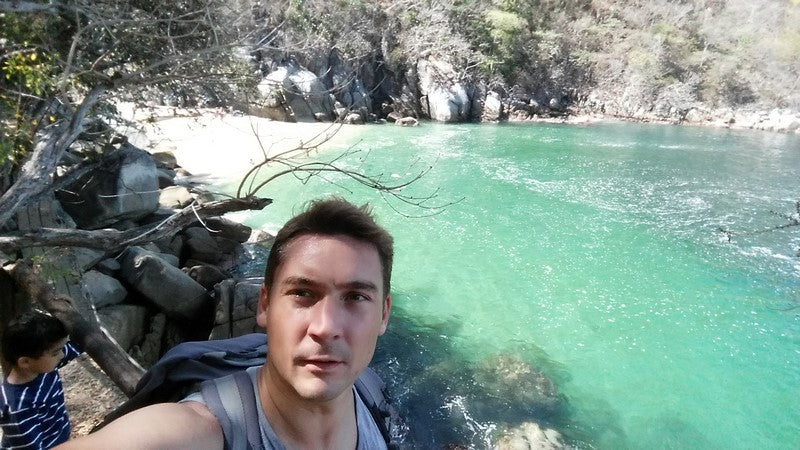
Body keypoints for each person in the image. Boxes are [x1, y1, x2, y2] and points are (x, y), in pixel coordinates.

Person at [57, 197, 393, 449]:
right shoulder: (203, 430)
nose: (325, 327)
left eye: (356, 297)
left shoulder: (369, 392)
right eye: (303, 293)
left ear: (383, 314)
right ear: (264, 304)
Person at [1, 311, 82, 449]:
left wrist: (72, 312)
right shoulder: (17, 407)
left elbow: (80, 342)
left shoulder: (42, 367)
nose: (62, 355)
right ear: (25, 362)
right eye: (56, 352)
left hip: (58, 440)